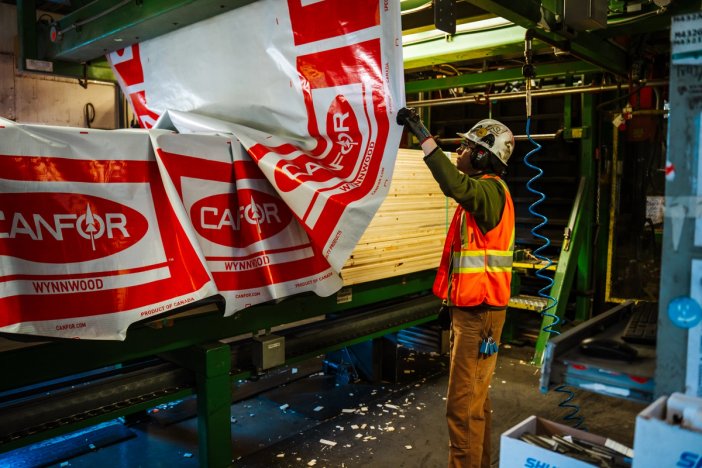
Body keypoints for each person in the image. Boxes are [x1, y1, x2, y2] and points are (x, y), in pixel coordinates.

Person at [396, 107, 515, 468]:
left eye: (466, 147)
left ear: (483, 155)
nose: (459, 152)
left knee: (461, 407)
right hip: (474, 313)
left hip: (480, 316)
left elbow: (454, 184)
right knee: (475, 403)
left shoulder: (489, 194)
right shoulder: (482, 196)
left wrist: (423, 136)